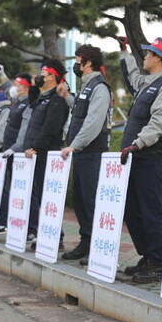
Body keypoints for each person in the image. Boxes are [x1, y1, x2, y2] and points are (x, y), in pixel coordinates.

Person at [117, 37, 162, 282]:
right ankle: (148, 255)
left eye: (148, 53)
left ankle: (160, 261)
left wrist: (137, 143)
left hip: (151, 158)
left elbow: (159, 123)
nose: (144, 56)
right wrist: (124, 51)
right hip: (136, 156)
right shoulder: (148, 82)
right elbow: (132, 77)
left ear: (158, 58)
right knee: (133, 210)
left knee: (151, 210)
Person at [60, 44, 112, 261]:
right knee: (80, 201)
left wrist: (75, 144)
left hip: (92, 153)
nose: (75, 64)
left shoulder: (100, 87)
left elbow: (93, 121)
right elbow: (81, 112)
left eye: (78, 59)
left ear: (88, 63)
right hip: (82, 153)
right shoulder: (87, 86)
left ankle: (95, 247)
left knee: (91, 201)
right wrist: (66, 97)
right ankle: (86, 241)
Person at [23, 60, 71, 247]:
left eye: (43, 72)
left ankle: (55, 237)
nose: (40, 75)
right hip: (37, 154)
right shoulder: (44, 96)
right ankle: (48, 234)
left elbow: (50, 127)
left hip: (46, 154)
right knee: (40, 196)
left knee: (48, 196)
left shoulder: (57, 98)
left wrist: (36, 147)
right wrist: (35, 86)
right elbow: (32, 104)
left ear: (52, 76)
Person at [0, 73, 33, 233]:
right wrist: (2, 75)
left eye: (18, 86)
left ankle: (29, 227)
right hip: (10, 152)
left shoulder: (28, 104)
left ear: (25, 88)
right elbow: (7, 87)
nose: (14, 88)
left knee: (26, 192)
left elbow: (24, 131)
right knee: (13, 189)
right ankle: (17, 223)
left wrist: (15, 148)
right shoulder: (17, 103)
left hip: (19, 153)